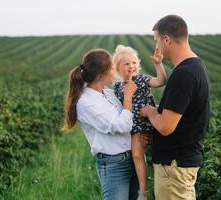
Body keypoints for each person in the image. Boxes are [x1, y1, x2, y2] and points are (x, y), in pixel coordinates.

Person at [140, 15, 210, 200]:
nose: (157, 47)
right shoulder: (196, 66)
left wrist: (149, 111)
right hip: (179, 164)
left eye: (157, 41)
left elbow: (165, 126)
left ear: (166, 39)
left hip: (173, 167)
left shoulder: (184, 74)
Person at [63, 48, 139, 200]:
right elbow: (121, 125)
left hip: (131, 157)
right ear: (101, 75)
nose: (114, 70)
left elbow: (128, 116)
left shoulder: (107, 92)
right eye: (111, 68)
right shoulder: (86, 103)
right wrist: (128, 97)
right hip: (114, 165)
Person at [112, 45, 167, 200]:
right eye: (126, 64)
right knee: (130, 157)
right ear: (117, 69)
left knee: (137, 154)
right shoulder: (117, 87)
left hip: (139, 125)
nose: (132, 66)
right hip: (126, 126)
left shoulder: (141, 80)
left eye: (134, 62)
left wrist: (158, 64)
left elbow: (161, 81)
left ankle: (143, 192)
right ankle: (134, 185)